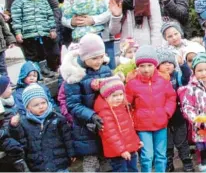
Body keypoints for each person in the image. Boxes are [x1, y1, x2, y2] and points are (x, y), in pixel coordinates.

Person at [60, 33, 113, 172]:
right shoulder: (75, 75)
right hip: (86, 127)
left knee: (107, 159)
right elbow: (73, 104)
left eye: (101, 57)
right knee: (91, 161)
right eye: (94, 58)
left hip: (105, 122)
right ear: (84, 57)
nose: (98, 61)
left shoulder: (106, 70)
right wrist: (91, 115)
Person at [125, 45, 176, 172]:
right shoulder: (132, 84)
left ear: (155, 65)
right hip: (142, 126)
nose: (146, 69)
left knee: (161, 155)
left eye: (149, 65)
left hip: (161, 123)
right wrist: (134, 118)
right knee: (147, 156)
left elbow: (171, 97)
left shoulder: (163, 81)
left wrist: (167, 112)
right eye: (142, 66)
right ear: (137, 66)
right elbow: (127, 104)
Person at [62, 0, 119, 68]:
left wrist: (92, 20)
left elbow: (109, 11)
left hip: (103, 36)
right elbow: (64, 17)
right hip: (80, 38)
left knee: (105, 69)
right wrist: (72, 22)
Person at [9, 84, 74, 172]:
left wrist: (71, 153)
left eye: (43, 102)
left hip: (59, 163)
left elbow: (67, 137)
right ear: (28, 108)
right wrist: (13, 127)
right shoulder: (24, 123)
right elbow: (20, 141)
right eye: (36, 105)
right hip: (39, 165)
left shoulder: (57, 118)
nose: (41, 106)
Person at [11, 0, 60, 76]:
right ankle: (33, 72)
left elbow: (49, 16)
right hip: (28, 34)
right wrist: (18, 32)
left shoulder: (42, 1)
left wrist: (52, 29)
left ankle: (44, 69)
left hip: (42, 33)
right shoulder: (19, 2)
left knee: (43, 53)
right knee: (31, 55)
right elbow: (16, 19)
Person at [93, 76, 142, 172]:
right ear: (106, 97)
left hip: (129, 148)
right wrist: (121, 150)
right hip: (117, 153)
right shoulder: (104, 112)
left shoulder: (122, 107)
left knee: (133, 169)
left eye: (120, 94)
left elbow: (129, 128)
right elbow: (111, 134)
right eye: (114, 96)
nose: (119, 98)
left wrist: (136, 141)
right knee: (121, 170)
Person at [156, 47, 193, 172]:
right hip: (163, 115)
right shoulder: (156, 79)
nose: (168, 65)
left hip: (178, 114)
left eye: (170, 63)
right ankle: (169, 163)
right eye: (164, 63)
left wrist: (183, 65)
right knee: (167, 142)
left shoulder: (177, 76)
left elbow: (187, 78)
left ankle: (187, 162)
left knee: (181, 140)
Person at [0, 76, 28, 172]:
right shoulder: (2, 108)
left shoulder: (11, 100)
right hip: (6, 136)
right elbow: (3, 129)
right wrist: (12, 125)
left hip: (17, 130)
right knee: (15, 147)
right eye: (7, 87)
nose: (11, 87)